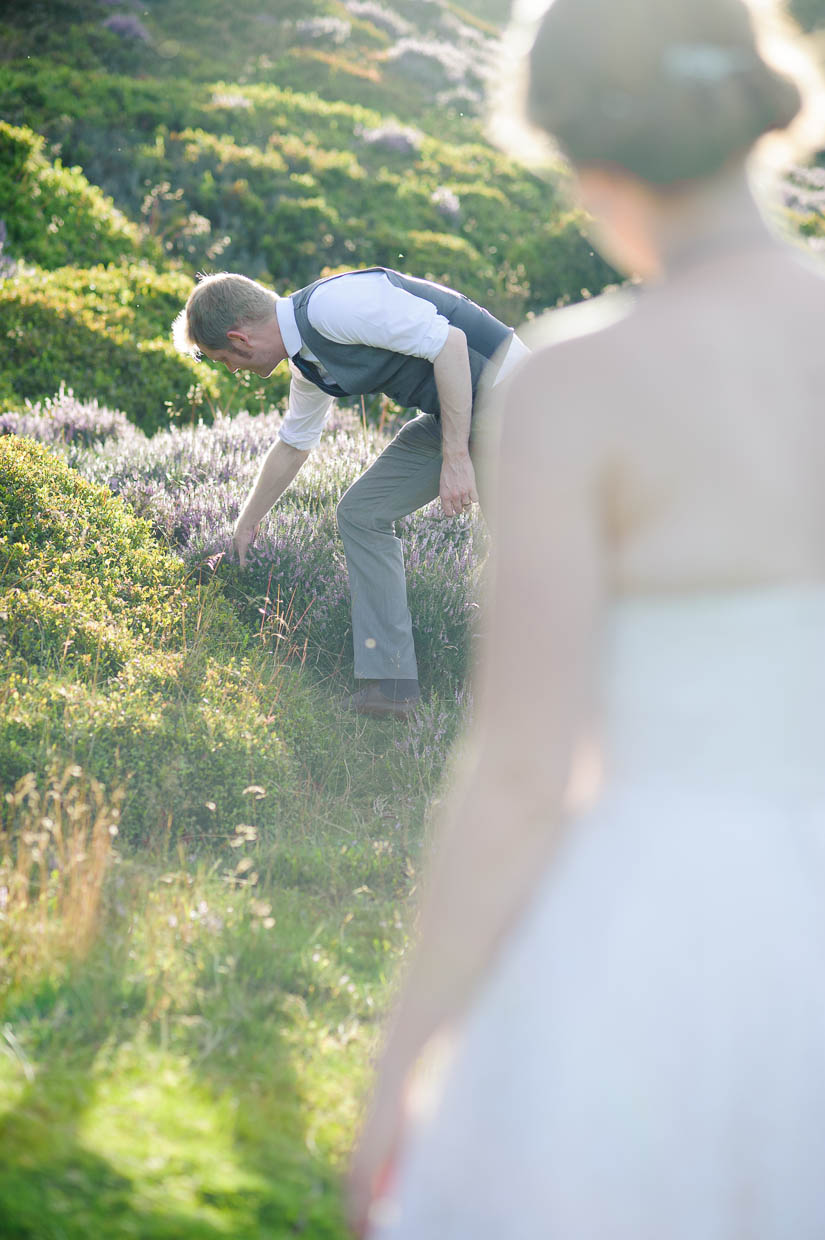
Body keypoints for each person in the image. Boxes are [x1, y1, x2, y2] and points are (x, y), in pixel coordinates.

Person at [349, 0, 825, 1235]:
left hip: (656, 936)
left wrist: (401, 1063)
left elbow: (521, 771)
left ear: (582, 157)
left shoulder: (575, 381)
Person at [172, 266, 528, 718]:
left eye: (224, 359)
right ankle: (394, 685)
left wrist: (457, 458)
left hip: (515, 398)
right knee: (362, 512)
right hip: (457, 411)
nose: (234, 370)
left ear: (239, 339)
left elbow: (451, 343)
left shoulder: (331, 307)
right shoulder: (308, 362)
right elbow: (294, 444)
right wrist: (248, 519)